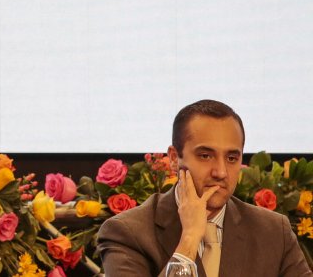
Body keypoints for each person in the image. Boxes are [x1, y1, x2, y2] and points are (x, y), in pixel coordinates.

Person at [97, 99, 312, 277]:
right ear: (174, 159)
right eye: (205, 156)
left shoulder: (273, 231)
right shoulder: (127, 233)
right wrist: (189, 239)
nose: (220, 172)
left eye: (231, 158)